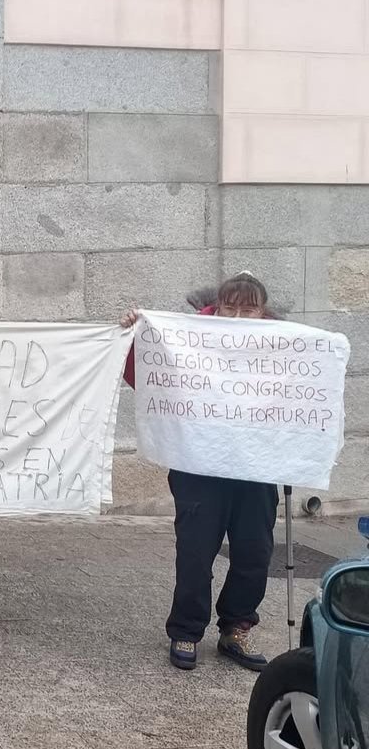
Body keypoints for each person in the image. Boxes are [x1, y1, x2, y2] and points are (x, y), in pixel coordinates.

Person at [120, 271, 279, 672]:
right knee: (195, 551)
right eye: (230, 308)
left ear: (263, 313)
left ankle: (236, 628)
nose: (238, 317)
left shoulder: (282, 344)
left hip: (255, 466)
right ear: (217, 307)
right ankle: (186, 631)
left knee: (254, 551)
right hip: (198, 465)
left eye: (249, 310)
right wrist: (135, 339)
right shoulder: (189, 339)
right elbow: (147, 378)